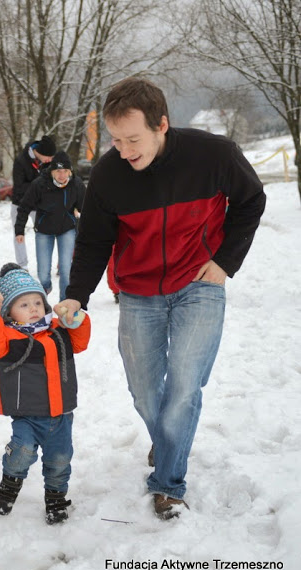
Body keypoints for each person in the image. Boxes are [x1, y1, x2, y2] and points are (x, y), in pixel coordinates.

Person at [57, 77, 266, 520]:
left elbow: (251, 200)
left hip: (199, 287)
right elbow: (94, 241)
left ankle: (168, 483)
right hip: (138, 293)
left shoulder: (214, 155)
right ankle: (168, 439)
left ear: (162, 125)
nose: (124, 150)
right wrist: (76, 295)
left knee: (185, 385)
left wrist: (225, 262)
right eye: (115, 140)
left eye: (133, 139)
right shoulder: (110, 175)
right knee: (146, 393)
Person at [0, 263, 90, 524]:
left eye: (37, 302)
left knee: (60, 461)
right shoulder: (6, 339)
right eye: (24, 305)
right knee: (22, 452)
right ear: (9, 313)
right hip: (27, 414)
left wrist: (77, 320)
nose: (34, 309)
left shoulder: (58, 331)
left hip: (61, 414)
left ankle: (56, 498)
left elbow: (80, 342)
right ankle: (9, 487)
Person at [15, 151, 85, 301]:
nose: (62, 175)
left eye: (65, 171)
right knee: (43, 272)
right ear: (52, 171)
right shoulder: (40, 184)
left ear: (70, 171)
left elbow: (85, 208)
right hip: (44, 230)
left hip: (66, 229)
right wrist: (19, 230)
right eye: (58, 171)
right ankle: (46, 287)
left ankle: (64, 302)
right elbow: (24, 207)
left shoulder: (76, 185)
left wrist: (84, 229)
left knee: (66, 269)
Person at [11, 135, 56, 270]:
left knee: (44, 234)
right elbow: (19, 186)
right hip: (19, 203)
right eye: (48, 157)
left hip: (40, 205)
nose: (50, 160)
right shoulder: (21, 160)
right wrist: (39, 186)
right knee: (18, 233)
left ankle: (44, 262)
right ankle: (22, 264)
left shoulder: (48, 162)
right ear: (39, 153)